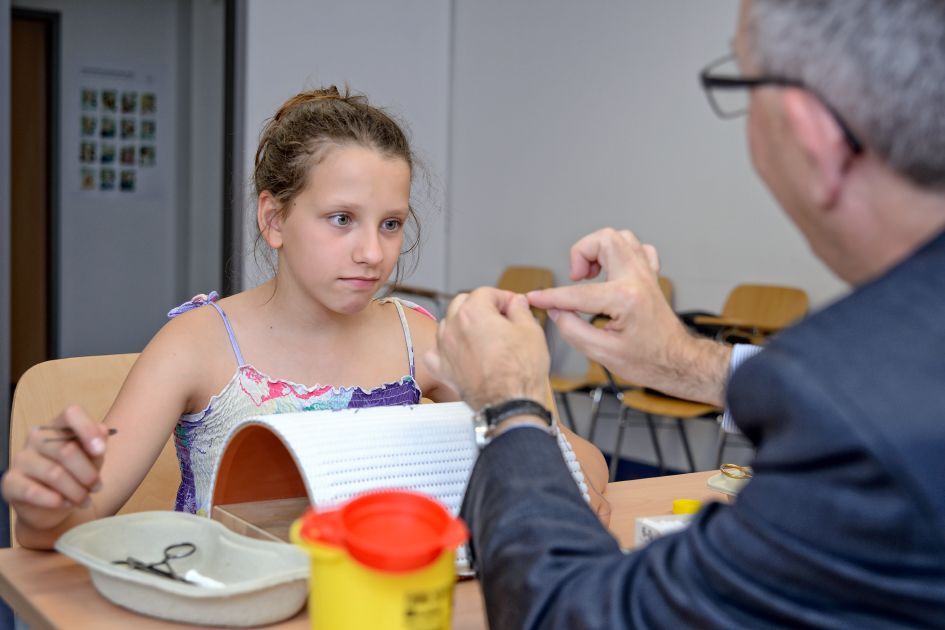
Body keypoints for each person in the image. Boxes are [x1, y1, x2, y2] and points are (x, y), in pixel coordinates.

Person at [428, 0, 945, 627]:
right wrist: (679, 358)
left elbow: (574, 614)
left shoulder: (848, 420)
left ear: (814, 134)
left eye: (744, 88)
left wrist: (511, 408)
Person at [4, 86, 607, 549]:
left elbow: (586, 470)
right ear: (274, 220)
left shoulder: (416, 338)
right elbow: (61, 524)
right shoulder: (197, 345)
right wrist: (43, 503)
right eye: (341, 219)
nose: (373, 252)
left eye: (390, 223)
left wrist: (522, 393)